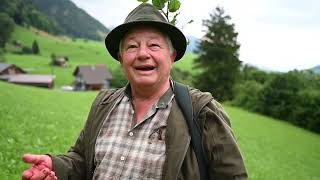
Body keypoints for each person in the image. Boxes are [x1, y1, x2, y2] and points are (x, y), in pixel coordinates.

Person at [22, 3, 248, 180]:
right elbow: (82, 160)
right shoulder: (104, 103)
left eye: (154, 45)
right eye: (132, 46)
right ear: (121, 59)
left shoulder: (202, 111)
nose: (142, 54)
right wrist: (57, 167)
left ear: (172, 56)